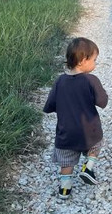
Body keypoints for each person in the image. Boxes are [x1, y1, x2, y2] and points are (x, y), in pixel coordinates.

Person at [43, 37, 108, 199]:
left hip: (66, 132)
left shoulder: (60, 81)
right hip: (89, 131)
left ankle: (65, 189)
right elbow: (102, 102)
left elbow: (50, 104)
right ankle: (88, 167)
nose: (95, 64)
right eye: (94, 60)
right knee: (96, 144)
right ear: (83, 61)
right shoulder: (91, 80)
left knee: (66, 160)